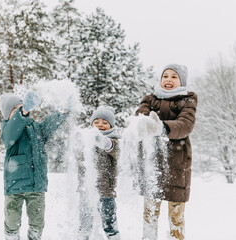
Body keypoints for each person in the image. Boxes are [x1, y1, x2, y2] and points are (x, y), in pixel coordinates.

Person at [135, 64, 198, 240]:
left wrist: (161, 127)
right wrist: (145, 123)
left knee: (176, 216)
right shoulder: (149, 99)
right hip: (152, 164)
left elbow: (185, 125)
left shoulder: (188, 99)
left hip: (177, 164)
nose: (168, 80)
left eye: (174, 77)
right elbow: (140, 118)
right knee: (149, 214)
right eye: (165, 76)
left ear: (181, 81)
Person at [0, 91, 69, 240]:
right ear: (7, 115)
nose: (21, 110)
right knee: (12, 222)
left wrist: (62, 112)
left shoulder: (35, 128)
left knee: (37, 222)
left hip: (36, 186)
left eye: (23, 107)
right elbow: (10, 135)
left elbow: (49, 126)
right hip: (14, 187)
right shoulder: (8, 130)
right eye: (16, 110)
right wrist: (22, 112)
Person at [77, 106, 121, 240]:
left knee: (109, 223)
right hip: (86, 190)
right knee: (85, 223)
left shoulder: (115, 141)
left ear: (111, 126)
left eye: (104, 122)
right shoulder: (86, 139)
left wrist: (103, 142)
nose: (100, 125)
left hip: (106, 191)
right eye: (96, 122)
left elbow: (116, 151)